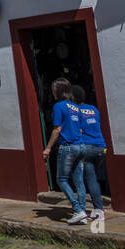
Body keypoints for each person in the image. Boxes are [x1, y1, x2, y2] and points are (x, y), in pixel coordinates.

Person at [41, 77, 87, 224]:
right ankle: (83, 211)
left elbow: (57, 129)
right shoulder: (75, 107)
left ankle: (77, 209)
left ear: (58, 91)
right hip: (80, 145)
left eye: (54, 89)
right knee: (79, 181)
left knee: (61, 179)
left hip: (67, 147)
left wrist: (48, 148)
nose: (52, 92)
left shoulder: (59, 106)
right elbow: (80, 128)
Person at [70, 83, 107, 223]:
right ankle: (98, 209)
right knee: (93, 179)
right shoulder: (93, 109)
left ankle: (83, 211)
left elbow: (77, 131)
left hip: (86, 148)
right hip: (101, 147)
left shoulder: (75, 112)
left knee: (86, 180)